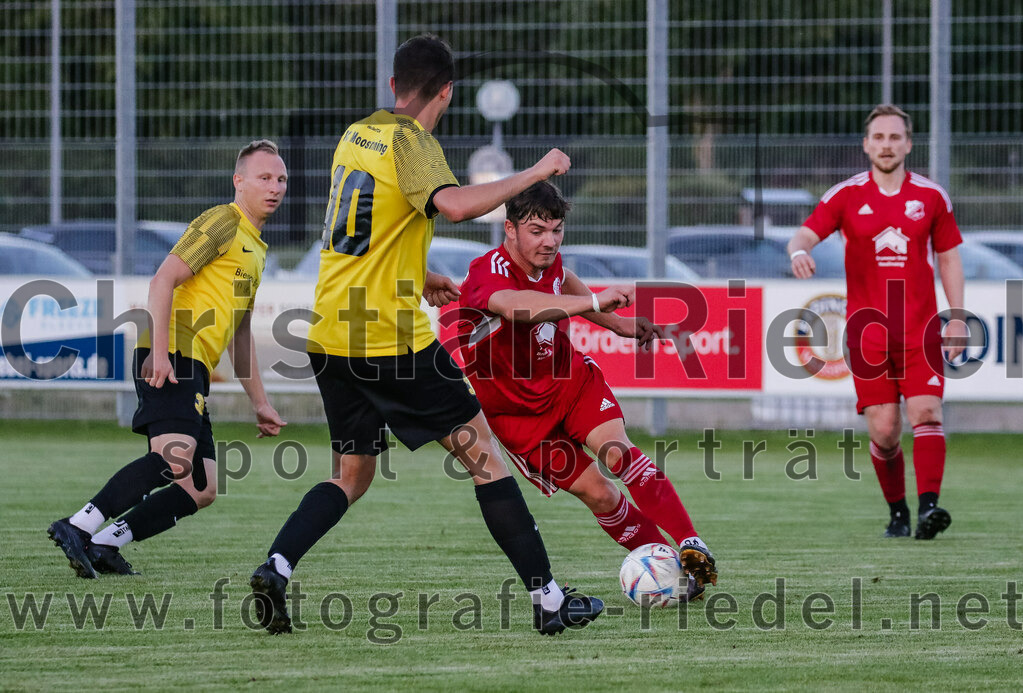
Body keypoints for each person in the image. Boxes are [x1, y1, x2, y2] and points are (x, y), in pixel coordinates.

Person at [248, 34, 603, 636]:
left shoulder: (355, 135)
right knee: (487, 460)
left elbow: (370, 232)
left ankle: (276, 566)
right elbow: (457, 206)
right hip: (392, 340)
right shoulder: (414, 142)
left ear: (392, 86)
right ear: (447, 92)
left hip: (333, 332)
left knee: (351, 475)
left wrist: (423, 275)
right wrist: (538, 170)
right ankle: (548, 600)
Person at [454, 181, 717, 599]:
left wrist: (620, 325)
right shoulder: (488, 272)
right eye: (537, 231)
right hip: (518, 417)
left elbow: (564, 282)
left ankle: (690, 543)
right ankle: (668, 569)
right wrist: (596, 302)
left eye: (556, 230)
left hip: (568, 382)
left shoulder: (552, 263)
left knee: (618, 452)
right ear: (509, 230)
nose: (549, 241)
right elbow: (518, 306)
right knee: (599, 493)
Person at [48, 139, 289, 577]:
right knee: (175, 459)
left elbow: (238, 332)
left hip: (191, 361)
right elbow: (162, 281)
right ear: (239, 182)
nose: (275, 187)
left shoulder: (256, 250)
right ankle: (78, 525)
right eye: (264, 178)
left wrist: (261, 402)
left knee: (202, 485)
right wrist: (159, 354)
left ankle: (106, 541)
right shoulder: (223, 222)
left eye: (281, 179)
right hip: (173, 350)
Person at [787, 104, 967, 540]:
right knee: (885, 432)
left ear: (908, 143)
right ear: (866, 145)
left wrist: (957, 317)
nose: (887, 145)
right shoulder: (846, 195)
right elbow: (805, 233)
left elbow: (948, 258)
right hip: (867, 334)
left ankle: (929, 509)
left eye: (895, 137)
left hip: (921, 329)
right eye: (879, 138)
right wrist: (798, 252)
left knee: (926, 411)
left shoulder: (931, 197)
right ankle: (898, 513)